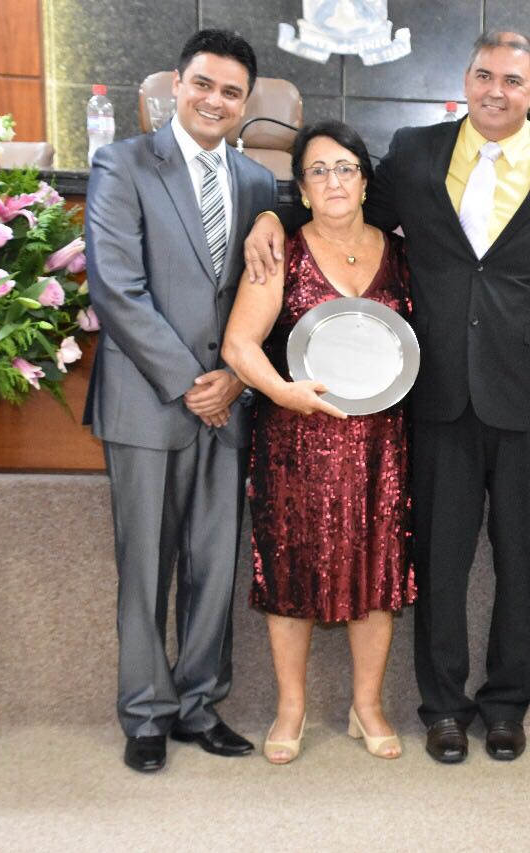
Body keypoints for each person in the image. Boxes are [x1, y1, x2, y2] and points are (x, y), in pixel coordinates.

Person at [242, 31, 530, 764]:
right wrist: (271, 215)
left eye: (513, 79)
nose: (496, 90)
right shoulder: (413, 153)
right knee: (439, 560)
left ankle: (506, 706)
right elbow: (339, 200)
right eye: (484, 75)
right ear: (465, 81)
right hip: (435, 393)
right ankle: (442, 706)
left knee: (523, 561)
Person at [83, 29, 277, 773]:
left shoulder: (257, 184)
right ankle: (145, 713)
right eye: (203, 84)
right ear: (176, 84)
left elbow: (266, 294)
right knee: (144, 564)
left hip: (228, 403)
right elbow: (117, 289)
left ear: (246, 102)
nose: (214, 101)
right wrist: (194, 382)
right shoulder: (123, 164)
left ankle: (199, 703)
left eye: (231, 92)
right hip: (149, 400)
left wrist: (234, 377)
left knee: (213, 562)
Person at [221, 120, 416, 764]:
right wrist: (282, 392)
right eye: (318, 170)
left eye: (345, 168)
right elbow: (239, 345)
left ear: (365, 180)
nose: (334, 181)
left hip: (381, 445)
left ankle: (368, 706)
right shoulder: (280, 250)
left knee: (378, 572)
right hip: (296, 439)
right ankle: (291, 708)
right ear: (301, 189)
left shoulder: (402, 252)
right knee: (290, 573)